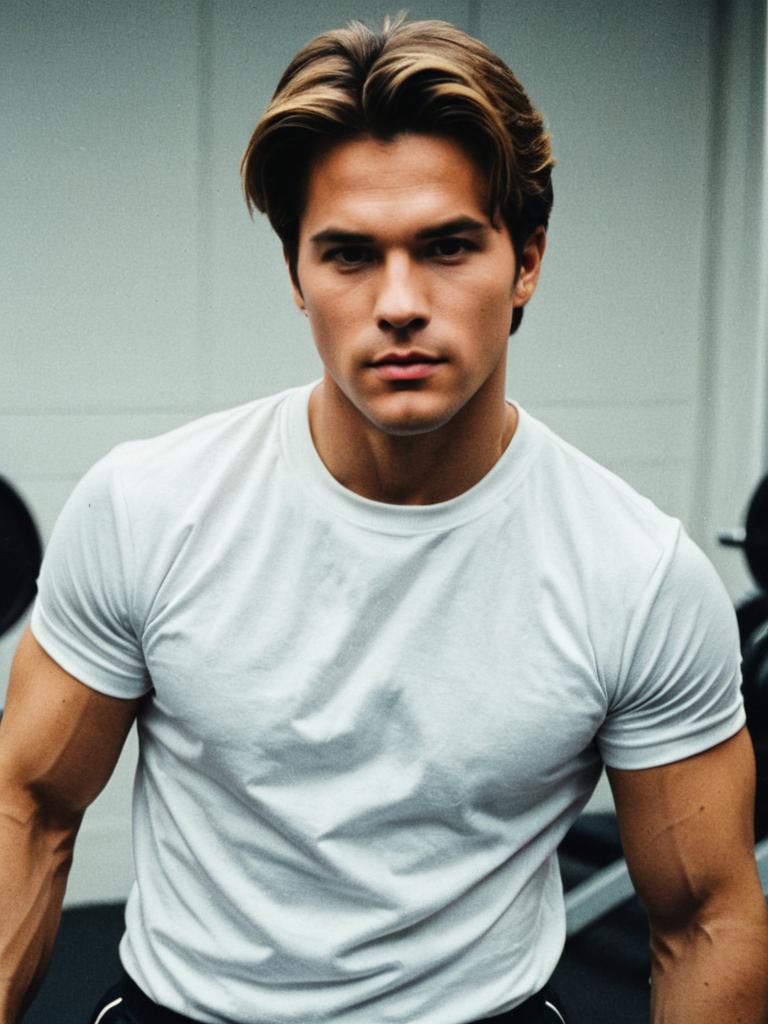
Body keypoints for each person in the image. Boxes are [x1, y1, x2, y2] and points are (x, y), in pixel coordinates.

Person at [1, 13, 767, 1024]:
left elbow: (705, 918)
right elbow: (31, 809)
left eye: (447, 246)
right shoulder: (149, 509)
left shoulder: (638, 574)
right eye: (350, 255)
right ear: (297, 276)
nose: (399, 302)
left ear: (526, 261)